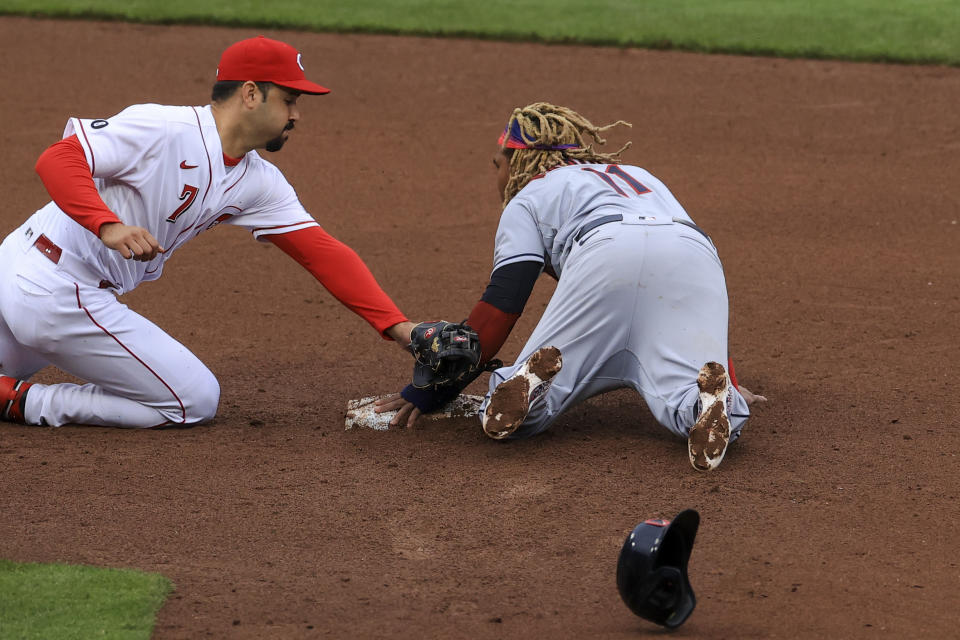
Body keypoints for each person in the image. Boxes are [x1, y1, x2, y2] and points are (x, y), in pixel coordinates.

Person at [0, 36, 414, 428]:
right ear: (251, 94)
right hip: (57, 293)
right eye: (289, 99)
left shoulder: (260, 181)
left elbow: (322, 252)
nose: (296, 115)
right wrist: (106, 224)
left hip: (27, 274)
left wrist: (399, 328)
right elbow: (59, 157)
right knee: (192, 400)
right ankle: (28, 402)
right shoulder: (164, 128)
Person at [377, 102, 766, 471]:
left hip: (605, 252)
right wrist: (728, 375)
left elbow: (503, 304)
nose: (497, 177)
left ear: (517, 164)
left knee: (515, 415)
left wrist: (433, 392)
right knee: (681, 399)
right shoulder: (641, 176)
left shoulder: (529, 196)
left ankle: (525, 388)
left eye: (497, 165)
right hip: (693, 255)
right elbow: (705, 308)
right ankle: (713, 403)